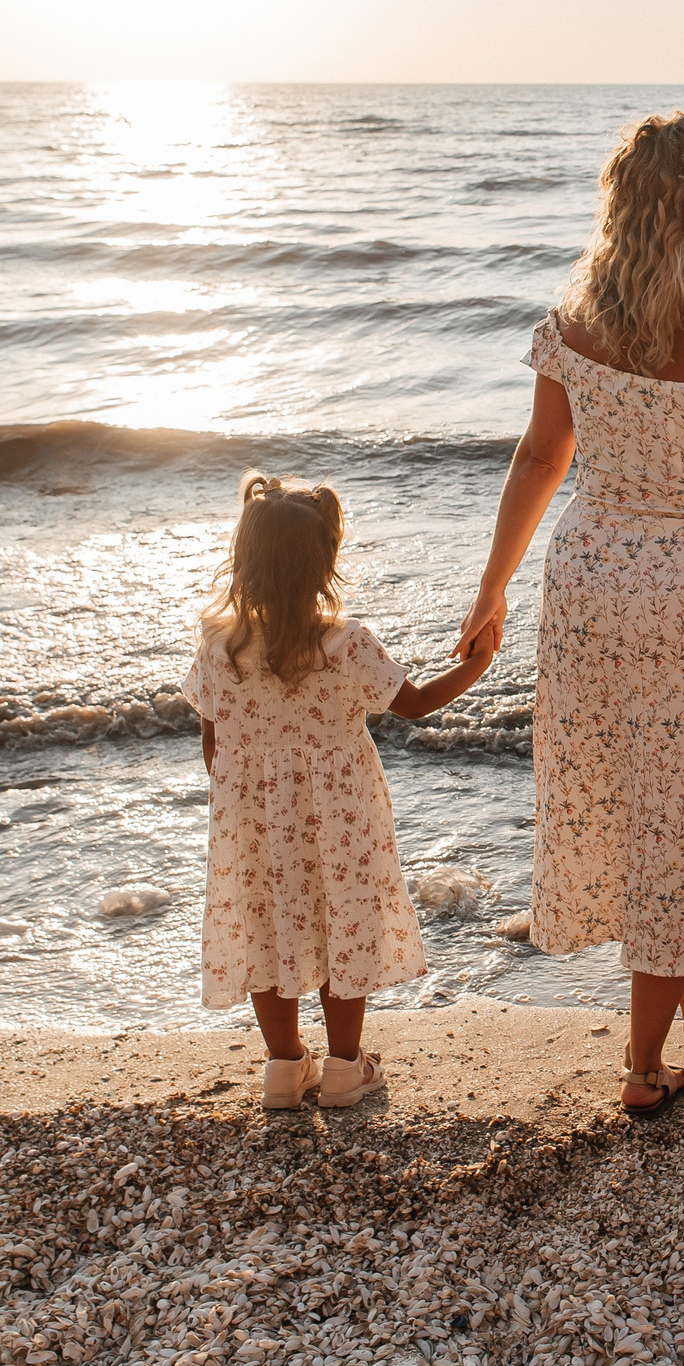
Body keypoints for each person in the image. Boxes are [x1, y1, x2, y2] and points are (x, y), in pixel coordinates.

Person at [456, 110, 684, 1116]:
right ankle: (641, 1064)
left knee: (640, 804)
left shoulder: (577, 319)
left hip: (588, 584)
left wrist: (492, 589)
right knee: (677, 813)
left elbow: (540, 459)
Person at [183, 472, 494, 1111]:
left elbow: (214, 741)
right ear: (325, 563)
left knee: (267, 928)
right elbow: (414, 705)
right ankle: (345, 1067)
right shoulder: (345, 643)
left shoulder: (220, 647)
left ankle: (283, 1065)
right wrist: (477, 664)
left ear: (245, 558)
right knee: (341, 924)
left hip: (251, 816)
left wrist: (247, 796)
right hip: (340, 815)